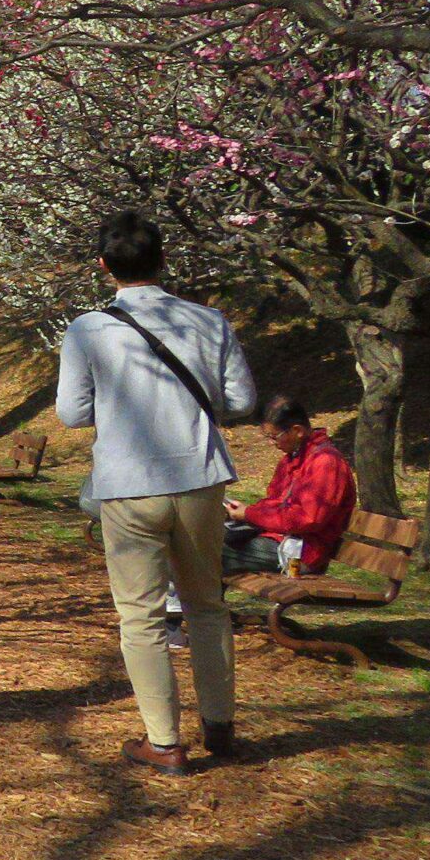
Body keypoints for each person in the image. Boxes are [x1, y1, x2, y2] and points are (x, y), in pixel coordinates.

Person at [57, 210, 259, 776]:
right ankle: (220, 726)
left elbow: (72, 413)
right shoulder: (208, 320)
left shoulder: (88, 330)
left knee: (141, 615)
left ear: (103, 266)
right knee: (208, 606)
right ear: (164, 259)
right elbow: (241, 402)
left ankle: (164, 741)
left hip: (129, 485)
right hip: (199, 477)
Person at [225, 396, 356, 578]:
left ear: (297, 430)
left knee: (212, 552)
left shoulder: (325, 463)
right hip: (279, 539)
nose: (273, 444)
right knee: (210, 537)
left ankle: (203, 606)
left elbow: (308, 519)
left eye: (274, 437)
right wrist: (246, 512)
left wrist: (249, 514)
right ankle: (206, 604)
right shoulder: (292, 459)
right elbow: (275, 502)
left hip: (302, 553)